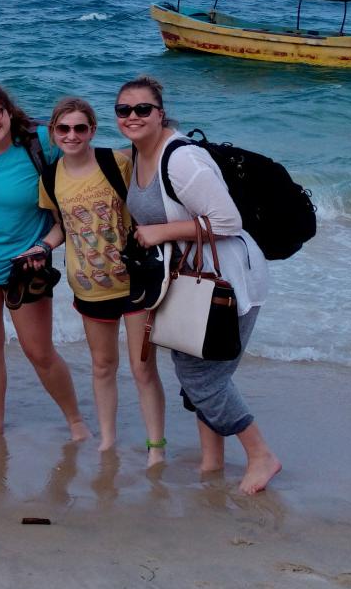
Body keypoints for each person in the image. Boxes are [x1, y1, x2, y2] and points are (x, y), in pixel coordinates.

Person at [114, 75, 281, 494]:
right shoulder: (138, 155)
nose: (132, 117)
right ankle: (211, 464)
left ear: (160, 113)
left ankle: (261, 455)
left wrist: (161, 233)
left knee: (202, 378)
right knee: (200, 369)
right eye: (123, 110)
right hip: (193, 281)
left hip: (227, 281)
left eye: (142, 110)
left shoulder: (182, 160)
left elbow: (227, 221)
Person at [0, 79, 90, 441]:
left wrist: (48, 244)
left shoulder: (40, 143)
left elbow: (82, 171)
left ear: (9, 111)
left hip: (26, 264)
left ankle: (75, 421)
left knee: (38, 350)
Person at [39, 96, 166, 465]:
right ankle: (107, 441)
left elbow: (148, 206)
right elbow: (60, 228)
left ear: (92, 130)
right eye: (64, 129)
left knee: (143, 368)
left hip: (136, 282)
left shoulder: (118, 162)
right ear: (53, 133)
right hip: (89, 287)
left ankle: (155, 448)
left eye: (80, 128)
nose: (72, 135)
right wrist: (40, 248)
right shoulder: (50, 177)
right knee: (102, 366)